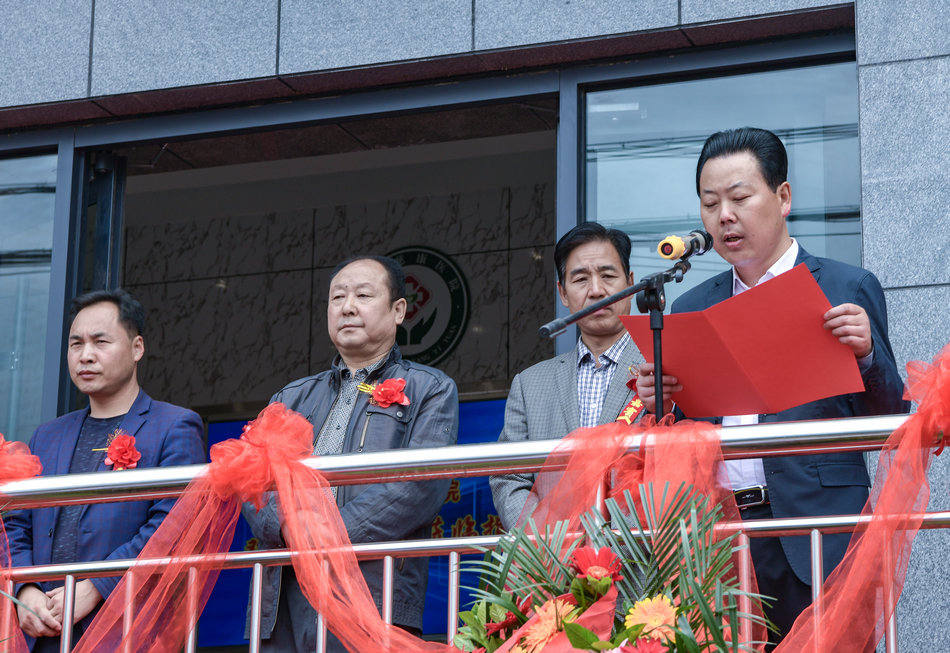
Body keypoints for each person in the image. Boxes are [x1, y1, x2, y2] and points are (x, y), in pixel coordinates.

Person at [635, 127, 909, 648]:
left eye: (739, 198)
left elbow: (892, 414)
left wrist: (868, 353)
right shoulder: (692, 306)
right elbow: (681, 432)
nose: (724, 217)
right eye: (710, 203)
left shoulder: (845, 287)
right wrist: (661, 404)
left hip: (819, 529)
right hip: (720, 537)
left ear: (783, 197)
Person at [242, 255, 458, 652]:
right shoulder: (291, 397)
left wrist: (330, 535)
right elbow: (253, 482)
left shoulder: (430, 389)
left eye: (363, 294)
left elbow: (419, 486)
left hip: (373, 592)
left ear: (398, 311)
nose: (347, 306)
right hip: (286, 596)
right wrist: (292, 528)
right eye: (337, 297)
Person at [5, 289, 206, 651]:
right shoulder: (47, 435)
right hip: (45, 630)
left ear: (137, 347)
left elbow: (173, 527)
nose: (85, 355)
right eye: (76, 343)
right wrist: (26, 588)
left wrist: (99, 585)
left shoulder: (174, 425)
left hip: (126, 628)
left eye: (101, 342)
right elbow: (15, 524)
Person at [490, 223, 645, 530]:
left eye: (608, 275)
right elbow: (509, 477)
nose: (596, 289)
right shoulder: (529, 384)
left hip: (644, 561)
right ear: (562, 292)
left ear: (630, 283)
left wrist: (618, 543)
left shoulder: (661, 363)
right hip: (555, 566)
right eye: (581, 278)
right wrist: (550, 542)